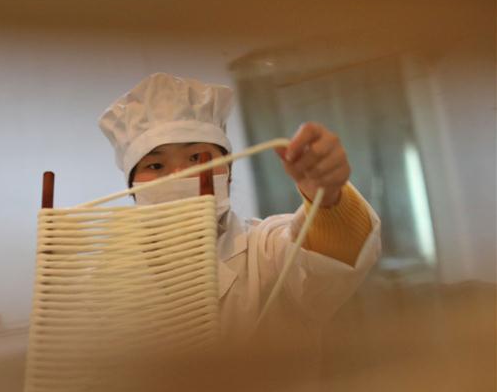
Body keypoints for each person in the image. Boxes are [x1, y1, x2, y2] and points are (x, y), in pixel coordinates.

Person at [99, 72, 382, 337]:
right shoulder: (100, 282)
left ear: (229, 170)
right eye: (156, 164)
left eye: (197, 158)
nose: (178, 175)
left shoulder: (266, 251)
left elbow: (328, 259)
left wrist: (327, 196)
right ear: (132, 186)